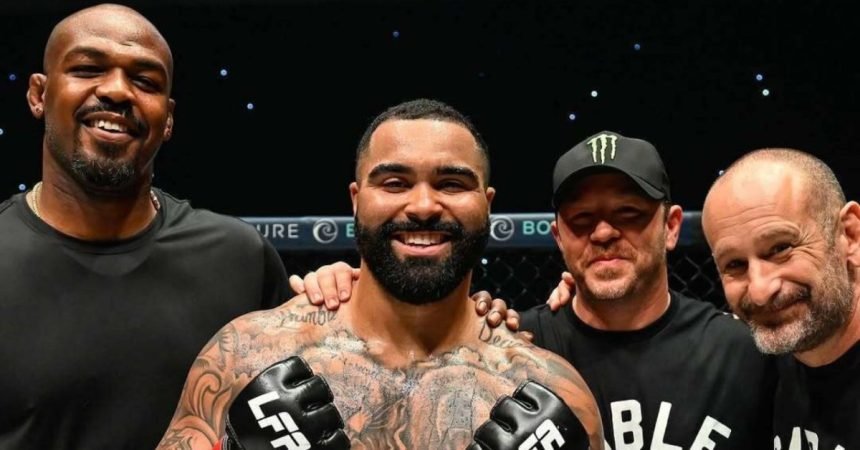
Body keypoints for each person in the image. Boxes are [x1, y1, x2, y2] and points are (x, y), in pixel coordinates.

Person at [0, 5, 356, 448]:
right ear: (38, 94)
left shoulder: (238, 257)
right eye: (88, 69)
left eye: (145, 81)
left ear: (168, 118)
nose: (117, 91)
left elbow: (323, 406)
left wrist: (340, 299)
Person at [157, 98, 605, 450]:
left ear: (487, 204)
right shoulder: (246, 357)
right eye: (394, 183)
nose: (423, 206)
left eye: (451, 183)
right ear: (356, 200)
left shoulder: (551, 394)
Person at [515, 132, 776, 449]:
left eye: (628, 212)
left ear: (671, 226)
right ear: (559, 237)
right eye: (581, 218)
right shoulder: (518, 348)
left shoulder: (741, 352)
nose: (603, 233)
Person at [702, 148, 860, 449]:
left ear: (850, 236)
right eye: (735, 264)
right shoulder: (761, 371)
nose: (760, 291)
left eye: (780, 248)